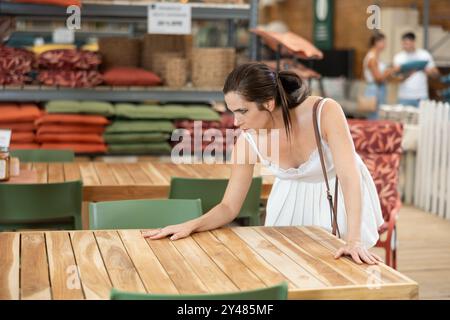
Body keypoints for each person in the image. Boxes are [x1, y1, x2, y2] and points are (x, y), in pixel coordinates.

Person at [143, 62, 384, 265]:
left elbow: (349, 176)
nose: (236, 122)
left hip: (341, 195)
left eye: (242, 111)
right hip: (290, 198)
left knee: (343, 271)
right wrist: (191, 225)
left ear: (268, 103)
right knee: (290, 269)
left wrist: (354, 240)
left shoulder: (324, 112)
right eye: (232, 112)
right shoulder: (248, 141)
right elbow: (229, 207)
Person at [393, 32, 440, 107]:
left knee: (424, 118)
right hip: (404, 96)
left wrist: (428, 71)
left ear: (413, 42)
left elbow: (436, 75)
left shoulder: (424, 55)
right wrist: (407, 73)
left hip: (421, 96)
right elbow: (396, 79)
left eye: (407, 43)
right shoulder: (398, 57)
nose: (405, 46)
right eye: (403, 44)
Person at [363, 32, 399, 119]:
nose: (385, 45)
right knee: (375, 118)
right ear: (376, 42)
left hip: (379, 89)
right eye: (383, 42)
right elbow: (378, 78)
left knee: (379, 117)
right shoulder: (372, 58)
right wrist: (392, 70)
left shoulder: (376, 57)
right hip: (375, 90)